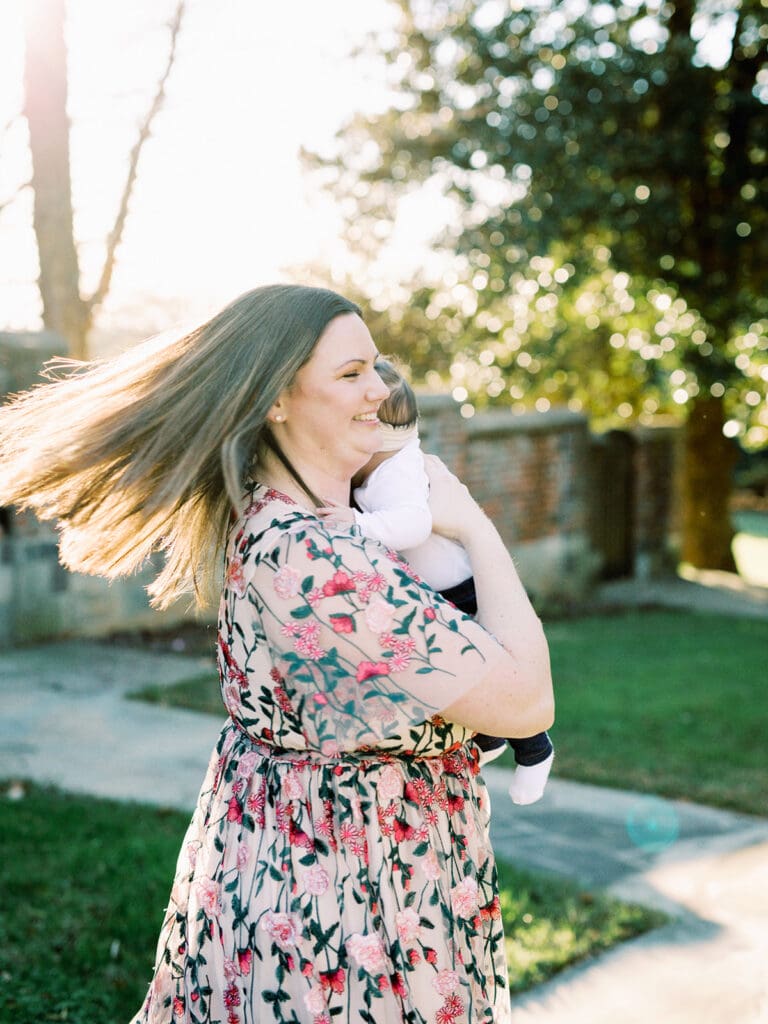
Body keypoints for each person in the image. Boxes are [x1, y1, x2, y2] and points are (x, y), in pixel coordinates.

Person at [0, 284, 553, 1024]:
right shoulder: (316, 557)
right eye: (350, 374)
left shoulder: (294, 517)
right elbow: (526, 702)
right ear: (277, 401)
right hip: (348, 915)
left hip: (309, 874)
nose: (381, 389)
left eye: (377, 367)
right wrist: (475, 527)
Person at [317, 358, 554, 806]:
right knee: (463, 674)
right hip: (435, 590)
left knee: (487, 669)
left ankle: (535, 749)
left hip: (457, 588)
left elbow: (412, 526)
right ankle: (489, 740)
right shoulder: (379, 468)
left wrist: (354, 523)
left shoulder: (397, 471)